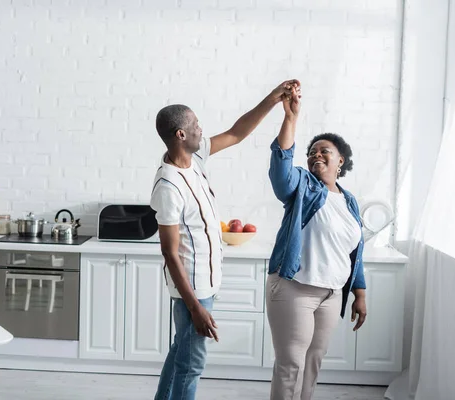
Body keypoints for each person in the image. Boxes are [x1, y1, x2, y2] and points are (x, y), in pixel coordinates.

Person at [150, 79, 300, 400]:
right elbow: (170, 253)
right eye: (196, 125)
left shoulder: (195, 159)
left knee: (181, 352)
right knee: (191, 365)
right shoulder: (169, 186)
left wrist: (274, 99)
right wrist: (195, 308)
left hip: (205, 282)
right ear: (181, 135)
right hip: (194, 289)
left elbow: (237, 132)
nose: (201, 129)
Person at [266, 84, 367, 400]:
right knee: (290, 365)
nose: (316, 154)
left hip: (332, 295)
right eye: (312, 152)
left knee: (312, 364)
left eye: (325, 150)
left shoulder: (350, 202)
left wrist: (359, 294)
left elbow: (354, 253)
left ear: (341, 161)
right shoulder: (302, 186)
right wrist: (291, 119)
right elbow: (280, 171)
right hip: (295, 288)